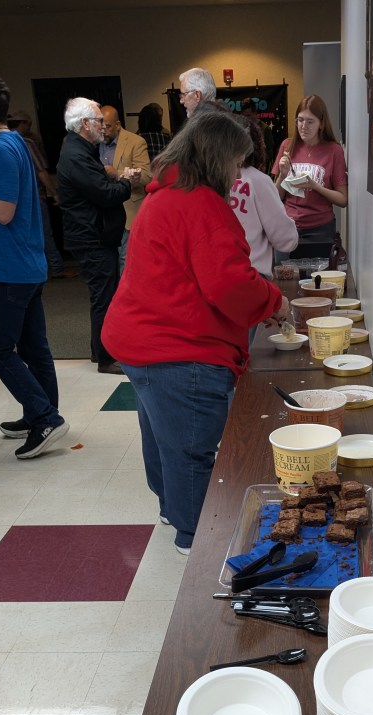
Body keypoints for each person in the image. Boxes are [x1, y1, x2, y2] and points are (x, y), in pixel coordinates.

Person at [101, 109, 289, 555]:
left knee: (162, 437)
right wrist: (273, 301)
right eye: (237, 163)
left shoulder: (165, 194)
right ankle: (193, 538)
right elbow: (229, 284)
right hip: (177, 347)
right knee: (190, 449)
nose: (238, 174)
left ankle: (172, 508)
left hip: (141, 338)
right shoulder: (201, 205)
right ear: (218, 158)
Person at [0, 76, 69, 459]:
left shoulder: (0, 150)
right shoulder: (15, 143)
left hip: (9, 267)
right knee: (33, 348)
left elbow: (3, 212)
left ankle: (45, 417)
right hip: (24, 263)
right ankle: (40, 414)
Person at [56, 97, 141, 373]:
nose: (102, 126)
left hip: (94, 234)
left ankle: (99, 351)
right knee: (104, 298)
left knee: (103, 295)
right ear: (84, 123)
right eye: (98, 121)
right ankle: (106, 357)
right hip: (92, 237)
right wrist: (126, 181)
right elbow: (105, 194)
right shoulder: (76, 155)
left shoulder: (80, 150)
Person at [229, 115, 298, 345]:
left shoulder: (202, 182)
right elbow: (286, 240)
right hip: (249, 277)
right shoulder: (258, 181)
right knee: (243, 352)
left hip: (216, 281)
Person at [272, 94, 348, 260]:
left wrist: (316, 186)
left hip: (321, 228)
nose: (303, 126)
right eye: (300, 120)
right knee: (285, 274)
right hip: (288, 225)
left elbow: (343, 200)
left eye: (310, 121)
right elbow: (275, 197)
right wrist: (282, 176)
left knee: (318, 276)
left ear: (321, 123)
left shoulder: (334, 151)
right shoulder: (287, 145)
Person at [7, 109, 77, 279]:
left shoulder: (0, 144)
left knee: (21, 237)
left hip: (11, 201)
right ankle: (56, 268)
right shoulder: (27, 143)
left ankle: (27, 270)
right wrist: (55, 193)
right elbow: (41, 172)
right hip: (34, 198)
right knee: (44, 234)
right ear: (22, 124)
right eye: (28, 124)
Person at [99, 105, 152, 273]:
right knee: (107, 261)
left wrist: (117, 173)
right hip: (102, 213)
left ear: (118, 124)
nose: (103, 131)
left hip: (127, 211)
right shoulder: (94, 142)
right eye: (100, 126)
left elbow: (146, 176)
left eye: (107, 126)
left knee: (126, 260)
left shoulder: (135, 142)